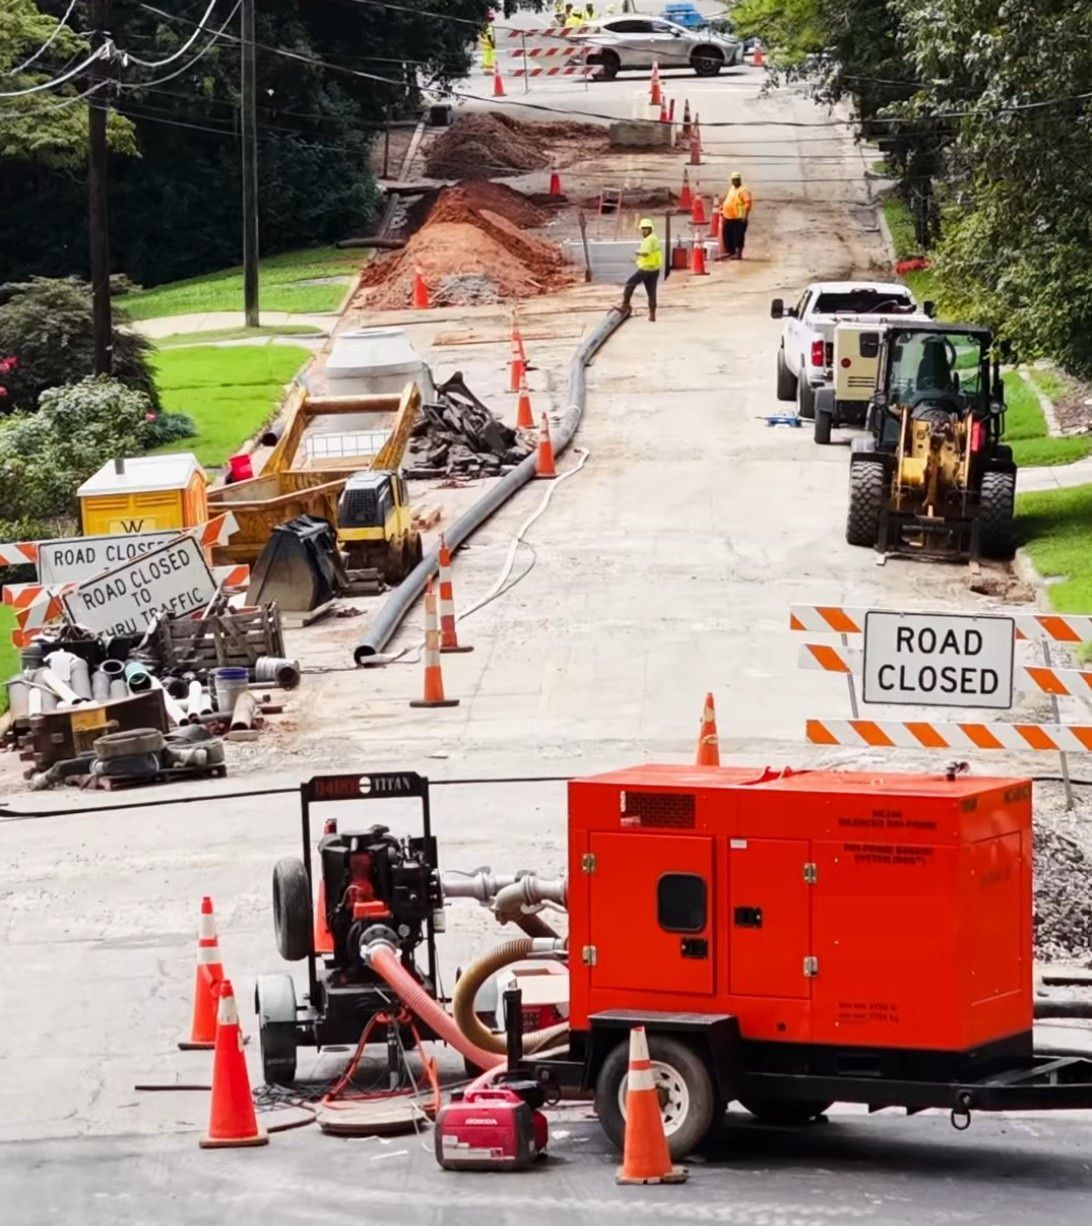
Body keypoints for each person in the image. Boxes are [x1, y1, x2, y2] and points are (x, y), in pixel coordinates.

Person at [620, 218, 662, 321]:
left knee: (630, 283)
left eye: (645, 229)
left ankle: (625, 304)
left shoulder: (649, 239)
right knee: (651, 291)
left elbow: (646, 253)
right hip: (654, 269)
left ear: (650, 229)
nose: (643, 231)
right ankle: (652, 315)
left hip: (646, 269)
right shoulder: (654, 238)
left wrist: (637, 252)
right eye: (642, 229)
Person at [721, 171, 753, 260]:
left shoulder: (743, 190)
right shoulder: (732, 188)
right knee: (728, 235)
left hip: (739, 218)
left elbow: (748, 203)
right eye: (733, 180)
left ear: (739, 180)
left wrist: (744, 215)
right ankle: (730, 252)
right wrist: (722, 209)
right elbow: (729, 199)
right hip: (729, 217)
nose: (735, 181)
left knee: (738, 236)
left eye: (737, 180)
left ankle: (738, 255)